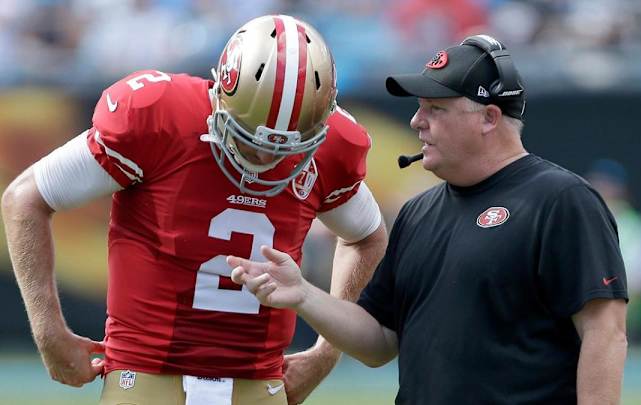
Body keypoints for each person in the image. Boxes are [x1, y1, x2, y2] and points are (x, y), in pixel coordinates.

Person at [1, 14, 388, 405]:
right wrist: (48, 331)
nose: (265, 158)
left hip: (259, 382)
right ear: (222, 93)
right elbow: (25, 199)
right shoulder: (158, 116)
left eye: (286, 147)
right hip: (146, 373)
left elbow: (367, 237)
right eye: (251, 140)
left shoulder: (332, 147)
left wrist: (325, 353)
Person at [229, 34, 629, 404]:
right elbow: (379, 341)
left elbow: (605, 333)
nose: (416, 121)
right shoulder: (418, 213)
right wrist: (303, 294)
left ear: (489, 118)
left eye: (436, 109)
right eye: (419, 107)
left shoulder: (561, 200)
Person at [586, 159, 641, 338]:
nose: (601, 187)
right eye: (596, 182)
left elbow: (640, 280)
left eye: (606, 183)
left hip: (624, 306)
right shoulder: (583, 220)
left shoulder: (636, 225)